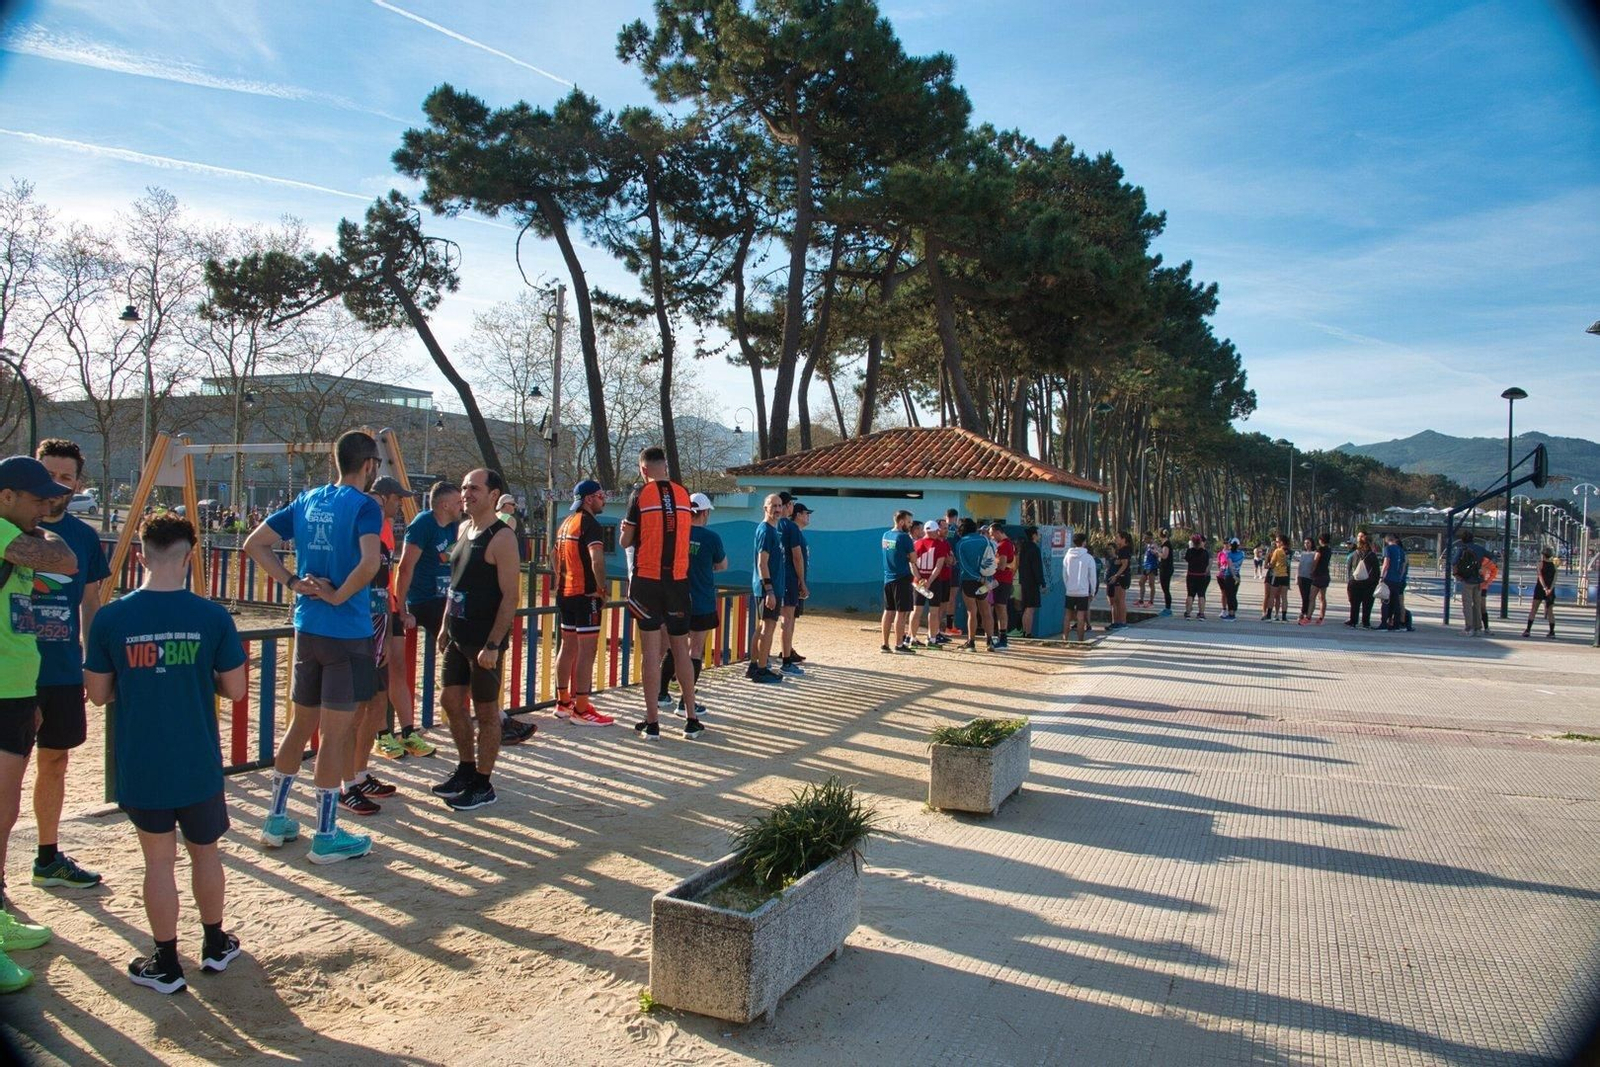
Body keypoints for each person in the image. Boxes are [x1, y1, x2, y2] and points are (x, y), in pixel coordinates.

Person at [84, 514, 247, 995]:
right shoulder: (212, 616)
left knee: (158, 863)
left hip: (143, 759)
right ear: (190, 556)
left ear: (140, 556)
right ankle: (216, 944)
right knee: (206, 854)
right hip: (196, 757)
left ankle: (166, 961)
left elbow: (97, 693)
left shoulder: (113, 617)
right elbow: (237, 690)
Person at [246, 430, 382, 864]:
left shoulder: (308, 500)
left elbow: (255, 544)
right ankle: (326, 833)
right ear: (369, 466)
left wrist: (292, 582)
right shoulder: (364, 506)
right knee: (335, 733)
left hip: (309, 626)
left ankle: (276, 817)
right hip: (346, 631)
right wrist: (340, 594)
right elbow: (371, 562)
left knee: (301, 724)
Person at [0, 456, 77, 992]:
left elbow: (67, 557)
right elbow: (63, 558)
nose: (48, 506)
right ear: (6, 496)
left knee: (5, 811)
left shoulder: (22, 532)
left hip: (16, 689)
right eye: (36, 498)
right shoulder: (7, 534)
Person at [30, 440, 112, 891]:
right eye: (49, 474)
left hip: (61, 669)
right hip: (13, 671)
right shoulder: (10, 529)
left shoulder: (82, 537)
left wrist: (92, 660)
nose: (57, 484)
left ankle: (47, 856)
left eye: (66, 476)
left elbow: (90, 601)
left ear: (78, 482)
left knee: (55, 761)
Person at [431, 468, 524, 808]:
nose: (466, 493)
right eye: (464, 486)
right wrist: (444, 625)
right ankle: (466, 769)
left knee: (486, 713)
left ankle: (484, 784)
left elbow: (511, 597)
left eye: (475, 488)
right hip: (457, 635)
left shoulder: (502, 538)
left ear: (493, 494)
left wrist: (494, 645)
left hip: (484, 642)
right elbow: (455, 585)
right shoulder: (463, 528)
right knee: (451, 702)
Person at [338, 477, 410, 817]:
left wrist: (395, 610)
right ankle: (345, 783)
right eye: (397, 499)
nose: (399, 507)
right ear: (383, 497)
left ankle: (361, 773)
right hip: (359, 623)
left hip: (380, 619)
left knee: (376, 703)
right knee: (353, 709)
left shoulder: (384, 528)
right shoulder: (360, 520)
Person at [619, 447, 703, 741]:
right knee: (681, 649)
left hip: (647, 581)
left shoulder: (639, 495)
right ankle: (691, 718)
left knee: (651, 652)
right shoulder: (683, 494)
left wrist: (626, 531)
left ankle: (652, 722)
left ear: (643, 470)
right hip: (678, 581)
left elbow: (625, 540)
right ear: (665, 466)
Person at [387, 480, 463, 759]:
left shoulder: (454, 526)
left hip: (444, 597)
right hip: (423, 599)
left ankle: (478, 711)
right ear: (443, 504)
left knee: (464, 646)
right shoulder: (423, 523)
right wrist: (402, 607)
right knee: (392, 667)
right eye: (457, 502)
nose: (461, 506)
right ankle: (388, 732)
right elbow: (404, 567)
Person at [555, 479, 615, 727]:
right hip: (585, 594)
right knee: (586, 651)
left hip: (565, 592)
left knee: (567, 647)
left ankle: (563, 702)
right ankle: (581, 708)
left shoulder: (566, 523)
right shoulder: (590, 524)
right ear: (589, 498)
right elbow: (597, 560)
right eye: (601, 495)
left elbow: (552, 556)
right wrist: (601, 589)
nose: (604, 500)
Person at [662, 492, 727, 718]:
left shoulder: (676, 535)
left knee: (674, 647)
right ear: (705, 512)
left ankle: (661, 694)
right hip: (702, 600)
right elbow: (722, 565)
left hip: (676, 599)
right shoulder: (712, 538)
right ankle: (685, 701)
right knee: (695, 651)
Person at [746, 493, 786, 685]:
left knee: (762, 627)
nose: (777, 509)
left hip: (768, 587)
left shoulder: (772, 530)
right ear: (765, 508)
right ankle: (761, 670)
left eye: (779, 506)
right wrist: (769, 590)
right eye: (773, 506)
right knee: (768, 628)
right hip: (767, 588)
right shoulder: (766, 531)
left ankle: (754, 665)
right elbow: (763, 563)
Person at [954, 518, 998, 652]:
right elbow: (990, 560)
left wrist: (976, 577)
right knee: (986, 611)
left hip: (968, 581)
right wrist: (986, 578)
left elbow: (963, 565)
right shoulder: (985, 540)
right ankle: (990, 641)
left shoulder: (961, 543)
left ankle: (971, 642)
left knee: (971, 612)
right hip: (984, 580)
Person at [776, 495, 807, 674]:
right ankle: (786, 660)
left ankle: (760, 661)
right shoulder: (789, 527)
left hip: (774, 579)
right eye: (791, 504)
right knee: (787, 620)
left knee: (772, 622)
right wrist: (801, 581)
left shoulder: (771, 526)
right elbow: (797, 557)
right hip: (788, 579)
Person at [880, 510, 916, 654]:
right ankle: (899, 644)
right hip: (901, 578)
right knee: (901, 613)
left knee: (888, 611)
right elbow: (914, 559)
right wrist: (907, 556)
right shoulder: (904, 537)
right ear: (901, 522)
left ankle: (884, 644)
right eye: (908, 522)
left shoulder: (886, 535)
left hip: (887, 577)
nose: (910, 525)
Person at [911, 517, 948, 647]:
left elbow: (912, 564)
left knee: (916, 611)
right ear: (935, 531)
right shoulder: (941, 545)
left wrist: (920, 579)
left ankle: (912, 639)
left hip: (918, 582)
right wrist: (929, 581)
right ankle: (932, 640)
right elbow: (938, 567)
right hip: (934, 583)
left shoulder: (915, 544)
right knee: (933, 612)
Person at [1062, 530, 1097, 643]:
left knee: (1067, 615)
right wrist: (1092, 591)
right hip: (1083, 591)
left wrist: (1067, 586)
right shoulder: (1088, 558)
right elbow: (1092, 576)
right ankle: (1080, 640)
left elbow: (1064, 574)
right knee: (1080, 616)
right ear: (1084, 542)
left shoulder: (1068, 556)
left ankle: (1065, 638)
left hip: (1070, 590)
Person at [1345, 533, 1382, 628]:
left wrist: (1349, 581)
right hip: (1369, 584)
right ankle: (1365, 622)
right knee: (1367, 604)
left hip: (1355, 582)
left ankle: (1353, 621)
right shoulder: (1372, 556)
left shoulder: (1353, 554)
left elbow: (1349, 569)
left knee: (1355, 604)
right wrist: (1375, 582)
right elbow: (1377, 571)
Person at [1453, 531, 1484, 636]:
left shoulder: (1462, 549)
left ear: (1462, 539)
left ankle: (1468, 627)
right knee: (1477, 604)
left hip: (1467, 579)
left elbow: (1454, 562)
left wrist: (1457, 574)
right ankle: (1478, 628)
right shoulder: (1480, 549)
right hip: (1478, 580)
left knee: (1467, 605)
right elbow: (1492, 557)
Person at [1380, 532, 1412, 631]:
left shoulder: (1388, 549)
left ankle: (1384, 623)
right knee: (1396, 603)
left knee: (1385, 601)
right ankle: (1397, 624)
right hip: (1397, 580)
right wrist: (1399, 577)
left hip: (1388, 578)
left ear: (1386, 540)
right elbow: (1403, 566)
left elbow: (1386, 563)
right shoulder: (1401, 551)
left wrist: (1381, 576)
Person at [1017, 526, 1045, 638]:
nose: (1039, 536)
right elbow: (1037, 568)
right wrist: (1042, 582)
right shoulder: (1035, 549)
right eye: (1038, 534)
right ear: (1034, 535)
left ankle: (1025, 631)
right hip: (1032, 582)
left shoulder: (1023, 548)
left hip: (1024, 580)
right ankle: (1028, 633)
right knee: (1030, 608)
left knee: (1026, 607)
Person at [1523, 547, 1557, 638]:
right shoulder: (1554, 565)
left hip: (1540, 588)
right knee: (1550, 611)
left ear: (1543, 555)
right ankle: (1552, 631)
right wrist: (1550, 589)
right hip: (1551, 589)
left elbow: (1540, 576)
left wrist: (1545, 588)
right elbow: (1555, 579)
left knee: (1534, 609)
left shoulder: (1540, 564)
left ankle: (1528, 630)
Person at [1107, 532, 1132, 629]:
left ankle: (1122, 622)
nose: (1115, 539)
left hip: (1122, 577)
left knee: (1120, 600)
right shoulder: (1122, 550)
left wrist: (1116, 575)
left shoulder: (1124, 550)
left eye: (1117, 537)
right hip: (1120, 576)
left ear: (1123, 539)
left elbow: (1124, 564)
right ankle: (1117, 621)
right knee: (1117, 600)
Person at [1183, 533, 1211, 619]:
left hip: (1191, 575)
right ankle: (1201, 614)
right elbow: (1207, 563)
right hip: (1202, 576)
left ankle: (1188, 613)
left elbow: (1187, 559)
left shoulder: (1189, 551)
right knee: (1201, 595)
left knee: (1190, 594)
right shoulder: (1205, 553)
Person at [1264, 534, 1291, 621]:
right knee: (1284, 597)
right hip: (1285, 576)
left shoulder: (1277, 551)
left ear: (1281, 542)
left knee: (1272, 595)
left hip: (1277, 575)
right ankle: (1284, 616)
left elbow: (1272, 564)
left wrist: (1266, 565)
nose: (1276, 543)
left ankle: (1268, 615)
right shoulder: (1289, 551)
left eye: (1277, 541)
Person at [1216, 537, 1243, 621]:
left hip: (1230, 576)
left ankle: (1231, 614)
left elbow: (1230, 566)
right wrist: (1236, 576)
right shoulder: (1242, 554)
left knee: (1229, 595)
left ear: (1231, 545)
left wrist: (1233, 576)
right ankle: (1233, 612)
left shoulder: (1229, 554)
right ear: (1238, 545)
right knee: (1233, 595)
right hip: (1237, 575)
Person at [1309, 533, 1332, 625]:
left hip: (1318, 575)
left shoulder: (1320, 549)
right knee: (1322, 597)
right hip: (1326, 574)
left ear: (1321, 540)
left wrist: (1311, 571)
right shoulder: (1329, 550)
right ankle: (1321, 617)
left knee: (1312, 597)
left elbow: (1315, 561)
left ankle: (1308, 616)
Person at [1295, 536, 1316, 624]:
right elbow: (1300, 565)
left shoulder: (1314, 553)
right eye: (1305, 543)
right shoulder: (1303, 553)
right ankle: (1304, 612)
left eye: (1308, 543)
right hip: (1301, 576)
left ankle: (1304, 613)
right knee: (1303, 595)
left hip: (1309, 577)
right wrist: (1297, 576)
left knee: (1307, 596)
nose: (1306, 545)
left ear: (1312, 544)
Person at [1479, 552, 1499, 633]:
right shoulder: (1471, 560)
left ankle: (1486, 627)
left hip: (1482, 586)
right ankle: (1474, 625)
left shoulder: (1486, 561)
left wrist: (1488, 581)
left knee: (1482, 606)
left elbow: (1494, 570)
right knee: (1473, 606)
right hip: (1472, 584)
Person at [1136, 533, 1158, 608]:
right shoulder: (1147, 546)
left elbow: (1157, 554)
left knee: (1151, 584)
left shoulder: (1153, 545)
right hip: (1146, 566)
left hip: (1152, 567)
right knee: (1141, 582)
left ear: (1149, 538)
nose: (1144, 540)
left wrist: (1154, 551)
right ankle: (1141, 600)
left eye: (1145, 538)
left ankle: (1151, 601)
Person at [1156, 529, 1175, 616]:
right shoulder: (1165, 543)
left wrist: (1156, 553)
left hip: (1166, 568)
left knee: (1165, 588)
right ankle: (1167, 607)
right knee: (1165, 588)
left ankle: (1168, 608)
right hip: (1165, 568)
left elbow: (1164, 555)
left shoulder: (1166, 544)